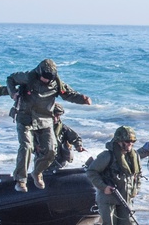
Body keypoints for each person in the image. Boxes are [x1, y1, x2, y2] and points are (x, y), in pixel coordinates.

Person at [6, 58, 91, 192]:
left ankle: (37, 172)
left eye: (49, 79)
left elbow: (68, 94)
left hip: (45, 119)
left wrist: (82, 99)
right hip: (25, 117)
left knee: (51, 149)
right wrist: (13, 93)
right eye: (44, 78)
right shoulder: (28, 77)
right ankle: (20, 180)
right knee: (26, 146)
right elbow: (10, 79)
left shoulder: (56, 83)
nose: (46, 81)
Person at [86, 126, 142, 225]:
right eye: (127, 141)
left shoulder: (134, 156)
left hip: (126, 196)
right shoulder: (107, 156)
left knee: (129, 223)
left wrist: (136, 189)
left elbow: (138, 175)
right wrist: (103, 187)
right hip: (107, 197)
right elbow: (91, 172)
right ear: (118, 141)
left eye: (132, 142)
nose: (130, 144)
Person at [44, 103, 85, 172]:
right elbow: (29, 142)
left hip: (60, 162)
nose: (55, 118)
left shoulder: (62, 128)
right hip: (43, 162)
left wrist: (78, 146)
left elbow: (76, 138)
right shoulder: (39, 128)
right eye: (53, 115)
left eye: (57, 115)